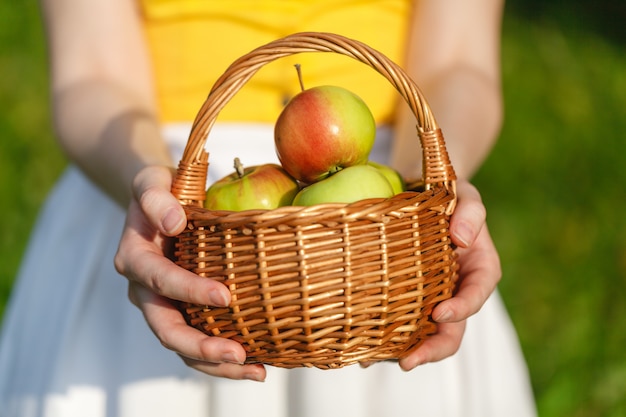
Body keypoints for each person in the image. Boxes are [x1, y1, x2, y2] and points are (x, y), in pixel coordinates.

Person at [0, 0, 537, 416]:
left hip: (376, 226)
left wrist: (434, 188)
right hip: (178, 196)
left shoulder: (389, 201)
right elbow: (90, 72)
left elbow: (459, 62)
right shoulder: (167, 196)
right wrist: (151, 184)